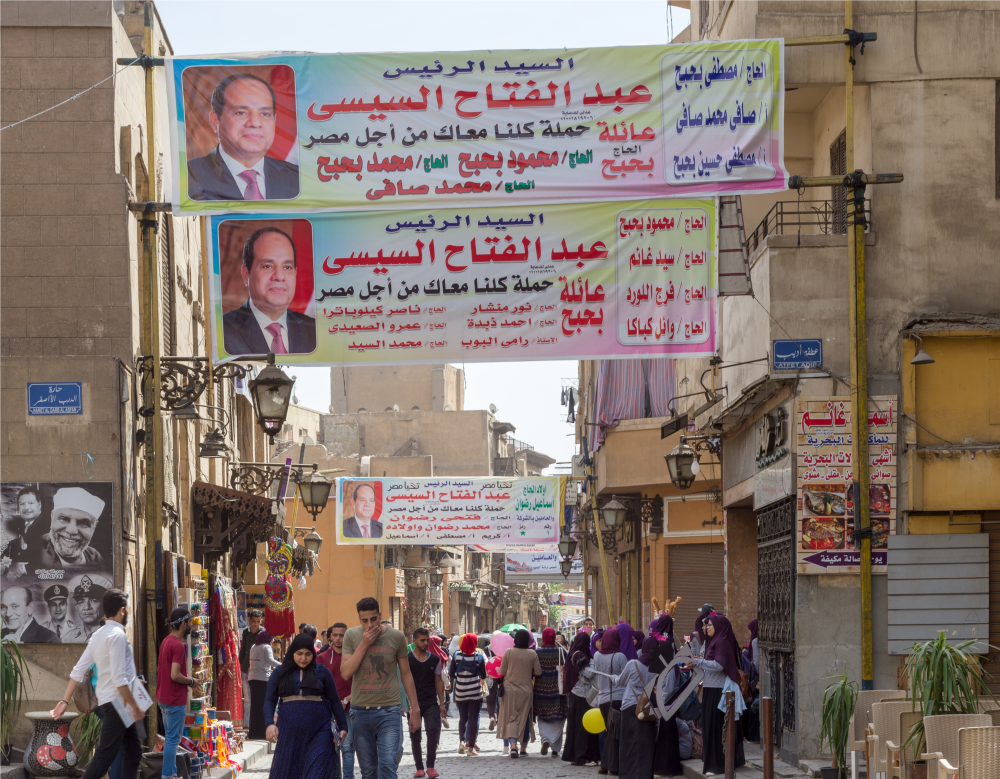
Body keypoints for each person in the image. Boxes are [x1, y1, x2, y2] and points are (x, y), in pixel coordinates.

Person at [51, 589, 144, 779]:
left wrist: (64, 701)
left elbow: (78, 671)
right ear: (122, 610)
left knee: (133, 752)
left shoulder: (99, 634)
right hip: (118, 704)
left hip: (113, 703)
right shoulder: (117, 636)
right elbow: (119, 679)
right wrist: (135, 706)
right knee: (105, 755)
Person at [340, 597, 420, 779]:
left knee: (387, 767)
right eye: (365, 621)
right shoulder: (352, 635)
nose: (370, 625)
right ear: (359, 619)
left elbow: (406, 674)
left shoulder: (396, 636)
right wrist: (364, 644)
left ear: (380, 615)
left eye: (374, 619)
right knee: (368, 772)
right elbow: (345, 673)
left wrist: (415, 708)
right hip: (360, 712)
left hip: (389, 710)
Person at [188, 72, 299, 202]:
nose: (255, 123)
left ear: (274, 120)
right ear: (215, 121)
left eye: (265, 114)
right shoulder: (189, 177)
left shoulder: (297, 178)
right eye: (241, 113)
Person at [264, 633, 348, 779]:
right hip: (289, 735)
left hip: (319, 733)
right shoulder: (280, 672)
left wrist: (343, 727)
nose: (303, 658)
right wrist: (269, 724)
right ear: (292, 652)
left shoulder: (322, 672)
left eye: (308, 654)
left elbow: (334, 700)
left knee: (317, 773)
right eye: (299, 654)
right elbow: (269, 700)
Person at [222, 227, 316, 356]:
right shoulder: (222, 331)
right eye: (267, 266)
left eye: (287, 267)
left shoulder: (315, 331)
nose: (279, 276)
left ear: (295, 274)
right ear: (245, 274)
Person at [686, 614, 745, 776]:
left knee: (716, 728)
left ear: (718, 627)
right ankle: (712, 763)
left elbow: (719, 665)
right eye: (707, 625)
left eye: (710, 625)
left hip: (719, 691)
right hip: (710, 689)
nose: (707, 627)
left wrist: (698, 662)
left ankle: (717, 765)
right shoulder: (713, 642)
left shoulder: (722, 643)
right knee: (710, 727)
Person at [157, 608, 200, 779]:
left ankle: (171, 773)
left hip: (164, 697)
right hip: (174, 699)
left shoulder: (166, 641)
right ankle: (168, 775)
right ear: (183, 624)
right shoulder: (177, 646)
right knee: (173, 740)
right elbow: (174, 674)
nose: (190, 626)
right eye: (189, 622)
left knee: (170, 739)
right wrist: (191, 682)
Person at [612, 636, 661, 779]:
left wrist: (613, 677)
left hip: (629, 707)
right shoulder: (657, 667)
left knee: (628, 744)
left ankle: (628, 775)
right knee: (646, 745)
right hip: (647, 709)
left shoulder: (632, 664)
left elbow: (620, 681)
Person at [32, 487, 106, 572]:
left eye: (84, 523)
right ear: (52, 517)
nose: (71, 530)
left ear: (94, 526)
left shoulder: (95, 557)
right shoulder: (33, 552)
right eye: (64, 518)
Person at [585, 627, 626, 775]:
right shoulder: (620, 656)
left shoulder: (596, 656)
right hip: (618, 698)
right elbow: (624, 678)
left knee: (610, 732)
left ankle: (605, 765)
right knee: (616, 733)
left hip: (602, 699)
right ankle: (612, 766)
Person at [317, 623, 356, 779]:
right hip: (328, 711)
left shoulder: (353, 657)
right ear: (330, 637)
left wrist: (345, 701)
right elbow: (317, 684)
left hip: (349, 710)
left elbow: (359, 683)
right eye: (336, 635)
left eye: (342, 635)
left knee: (347, 748)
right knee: (333, 750)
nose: (339, 638)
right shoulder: (321, 658)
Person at [648, 615, 683, 777]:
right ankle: (671, 767)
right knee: (668, 733)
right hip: (667, 697)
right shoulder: (668, 642)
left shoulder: (663, 643)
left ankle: (665, 768)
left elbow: (666, 674)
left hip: (665, 699)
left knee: (665, 734)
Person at [407, 628, 446, 776]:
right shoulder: (407, 659)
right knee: (415, 735)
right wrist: (406, 705)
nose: (425, 643)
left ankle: (430, 767)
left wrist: (441, 703)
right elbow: (403, 682)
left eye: (427, 640)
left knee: (432, 731)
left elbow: (439, 681)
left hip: (431, 702)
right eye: (422, 640)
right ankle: (419, 768)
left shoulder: (435, 659)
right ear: (414, 640)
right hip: (414, 703)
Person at [497, 629, 540, 758]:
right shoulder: (532, 654)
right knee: (525, 719)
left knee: (512, 718)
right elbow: (538, 672)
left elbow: (502, 670)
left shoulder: (508, 652)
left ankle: (513, 746)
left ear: (515, 640)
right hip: (526, 691)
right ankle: (523, 748)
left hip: (510, 690)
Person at [561, 632, 600, 767]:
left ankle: (574, 755)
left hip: (575, 694)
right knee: (583, 727)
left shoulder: (573, 653)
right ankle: (582, 757)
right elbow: (588, 673)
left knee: (575, 726)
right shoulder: (579, 655)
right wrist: (594, 663)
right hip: (582, 694)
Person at [449, 633, 486, 757]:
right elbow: (483, 675)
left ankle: (461, 742)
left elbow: (452, 674)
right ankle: (471, 748)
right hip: (475, 693)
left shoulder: (456, 656)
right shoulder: (479, 657)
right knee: (473, 719)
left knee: (463, 718)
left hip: (460, 692)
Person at [533, 627, 566, 758]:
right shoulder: (561, 652)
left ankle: (545, 739)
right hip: (558, 691)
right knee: (558, 718)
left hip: (541, 691)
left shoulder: (537, 653)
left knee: (543, 717)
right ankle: (555, 750)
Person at [2, 486, 46, 577]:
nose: (26, 507)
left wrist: (20, 569)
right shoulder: (15, 525)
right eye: (22, 504)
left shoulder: (48, 526)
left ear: (39, 504)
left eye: (30, 503)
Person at [248, 629, 280, 739]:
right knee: (264, 706)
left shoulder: (253, 647)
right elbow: (270, 661)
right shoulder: (266, 647)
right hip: (263, 680)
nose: (273, 640)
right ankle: (262, 732)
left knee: (255, 706)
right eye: (272, 638)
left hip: (252, 679)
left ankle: (253, 732)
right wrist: (283, 665)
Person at [62, 574, 109, 642]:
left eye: (94, 601)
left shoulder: (111, 636)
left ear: (104, 605)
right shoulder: (68, 638)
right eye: (81, 602)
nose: (87, 607)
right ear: (76, 607)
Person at [240, 610, 264, 713]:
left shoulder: (263, 633)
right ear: (250, 621)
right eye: (254, 621)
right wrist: (241, 664)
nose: (255, 624)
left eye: (258, 621)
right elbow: (242, 650)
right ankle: (246, 725)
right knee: (247, 699)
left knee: (257, 698)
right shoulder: (246, 632)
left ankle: (256, 724)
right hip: (245, 667)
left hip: (257, 669)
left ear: (261, 621)